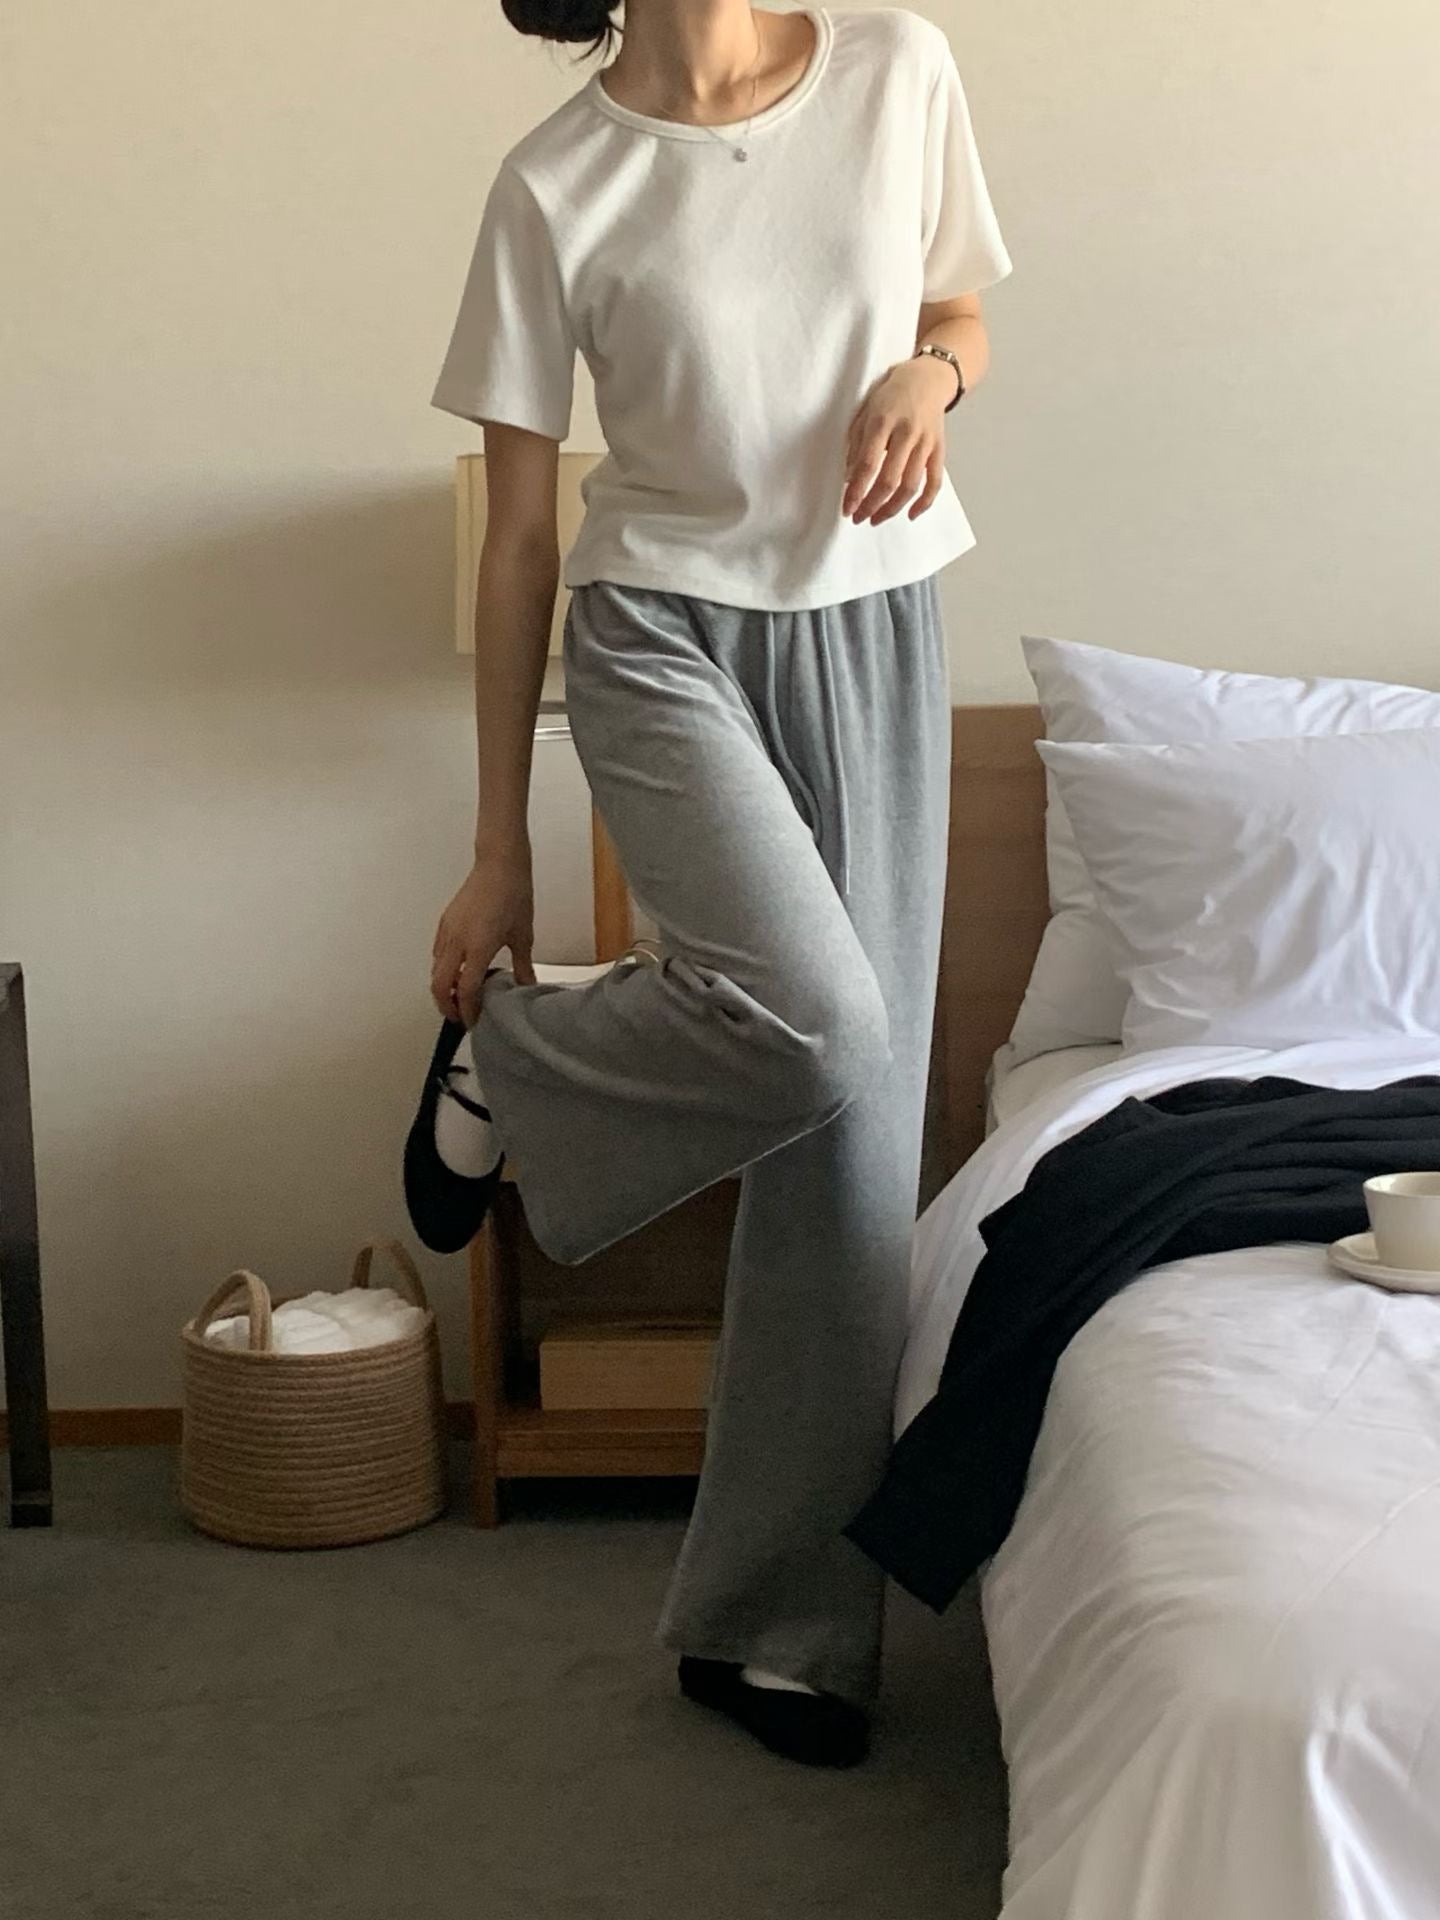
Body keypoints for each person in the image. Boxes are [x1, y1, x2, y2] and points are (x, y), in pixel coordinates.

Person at [405, 0, 1012, 1768]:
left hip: (877, 625)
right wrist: (501, 845)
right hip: (658, 636)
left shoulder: (898, 68)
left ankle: (775, 1632)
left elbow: (963, 312)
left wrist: (931, 376)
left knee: (859, 1147)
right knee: (819, 1024)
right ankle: (513, 1058)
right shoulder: (555, 181)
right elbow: (523, 533)